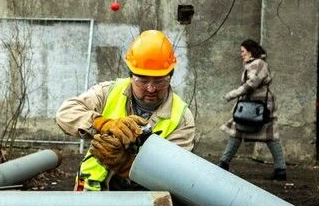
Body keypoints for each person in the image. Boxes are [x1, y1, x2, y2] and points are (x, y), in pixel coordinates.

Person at [56, 30, 195, 191]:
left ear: (170, 76)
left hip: (143, 202)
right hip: (88, 188)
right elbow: (65, 113)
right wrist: (102, 123)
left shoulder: (182, 118)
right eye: (142, 80)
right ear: (131, 75)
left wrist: (127, 165)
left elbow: (176, 176)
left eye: (159, 81)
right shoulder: (108, 91)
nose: (151, 88)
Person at [217, 39, 287, 180]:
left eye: (242, 51)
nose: (241, 54)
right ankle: (223, 163)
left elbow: (251, 84)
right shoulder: (253, 64)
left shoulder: (259, 64)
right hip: (252, 105)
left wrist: (232, 94)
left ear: (250, 51)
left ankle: (280, 169)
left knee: (269, 135)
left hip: (260, 106)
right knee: (238, 131)